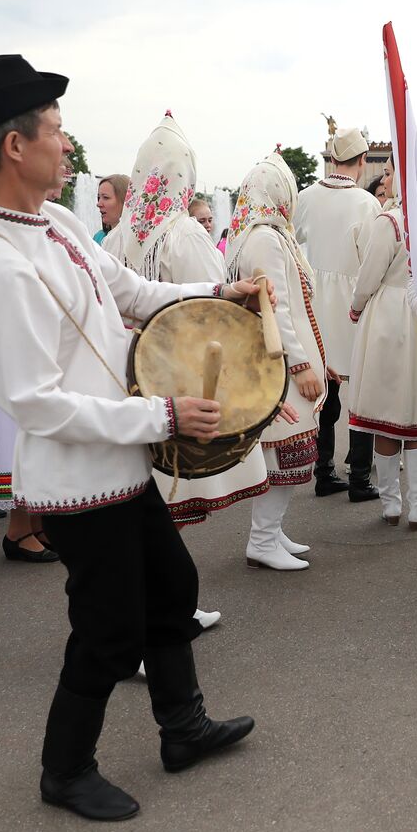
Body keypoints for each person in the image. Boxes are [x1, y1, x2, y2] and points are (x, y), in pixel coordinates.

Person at [0, 54, 260, 821]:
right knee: (108, 629)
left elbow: (131, 292)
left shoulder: (55, 220)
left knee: (172, 587)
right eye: (55, 130)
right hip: (75, 479)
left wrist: (217, 291)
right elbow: (40, 406)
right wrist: (165, 417)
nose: (67, 144)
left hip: (119, 457)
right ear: (14, 148)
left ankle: (182, 727)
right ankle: (65, 768)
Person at [118, 114, 271, 570]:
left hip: (128, 367)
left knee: (139, 487)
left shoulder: (122, 232)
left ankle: (155, 593)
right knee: (172, 483)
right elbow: (214, 316)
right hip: (177, 370)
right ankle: (167, 596)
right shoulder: (184, 233)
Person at [227, 153, 324, 570]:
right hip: (280, 364)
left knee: (283, 454)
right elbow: (276, 308)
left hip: (281, 359)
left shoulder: (268, 233)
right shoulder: (265, 236)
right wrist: (300, 366)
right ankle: (262, 540)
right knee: (287, 452)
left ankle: (271, 532)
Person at [346, 163, 417, 528]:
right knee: (416, 412)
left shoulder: (391, 221)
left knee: (386, 417)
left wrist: (355, 307)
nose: (383, 179)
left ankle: (391, 504)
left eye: (389, 172)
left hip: (388, 314)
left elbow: (369, 274)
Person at [293, 128, 381, 501]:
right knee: (360, 390)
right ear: (362, 161)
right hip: (352, 304)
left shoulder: (306, 197)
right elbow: (374, 258)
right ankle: (359, 477)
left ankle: (323, 470)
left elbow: (292, 241)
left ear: (332, 159)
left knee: (325, 391)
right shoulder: (366, 202)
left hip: (314, 302)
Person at [94, 173, 129, 245]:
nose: (98, 204)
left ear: (125, 201)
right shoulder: (98, 237)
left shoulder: (136, 242)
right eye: (98, 198)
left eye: (106, 197)